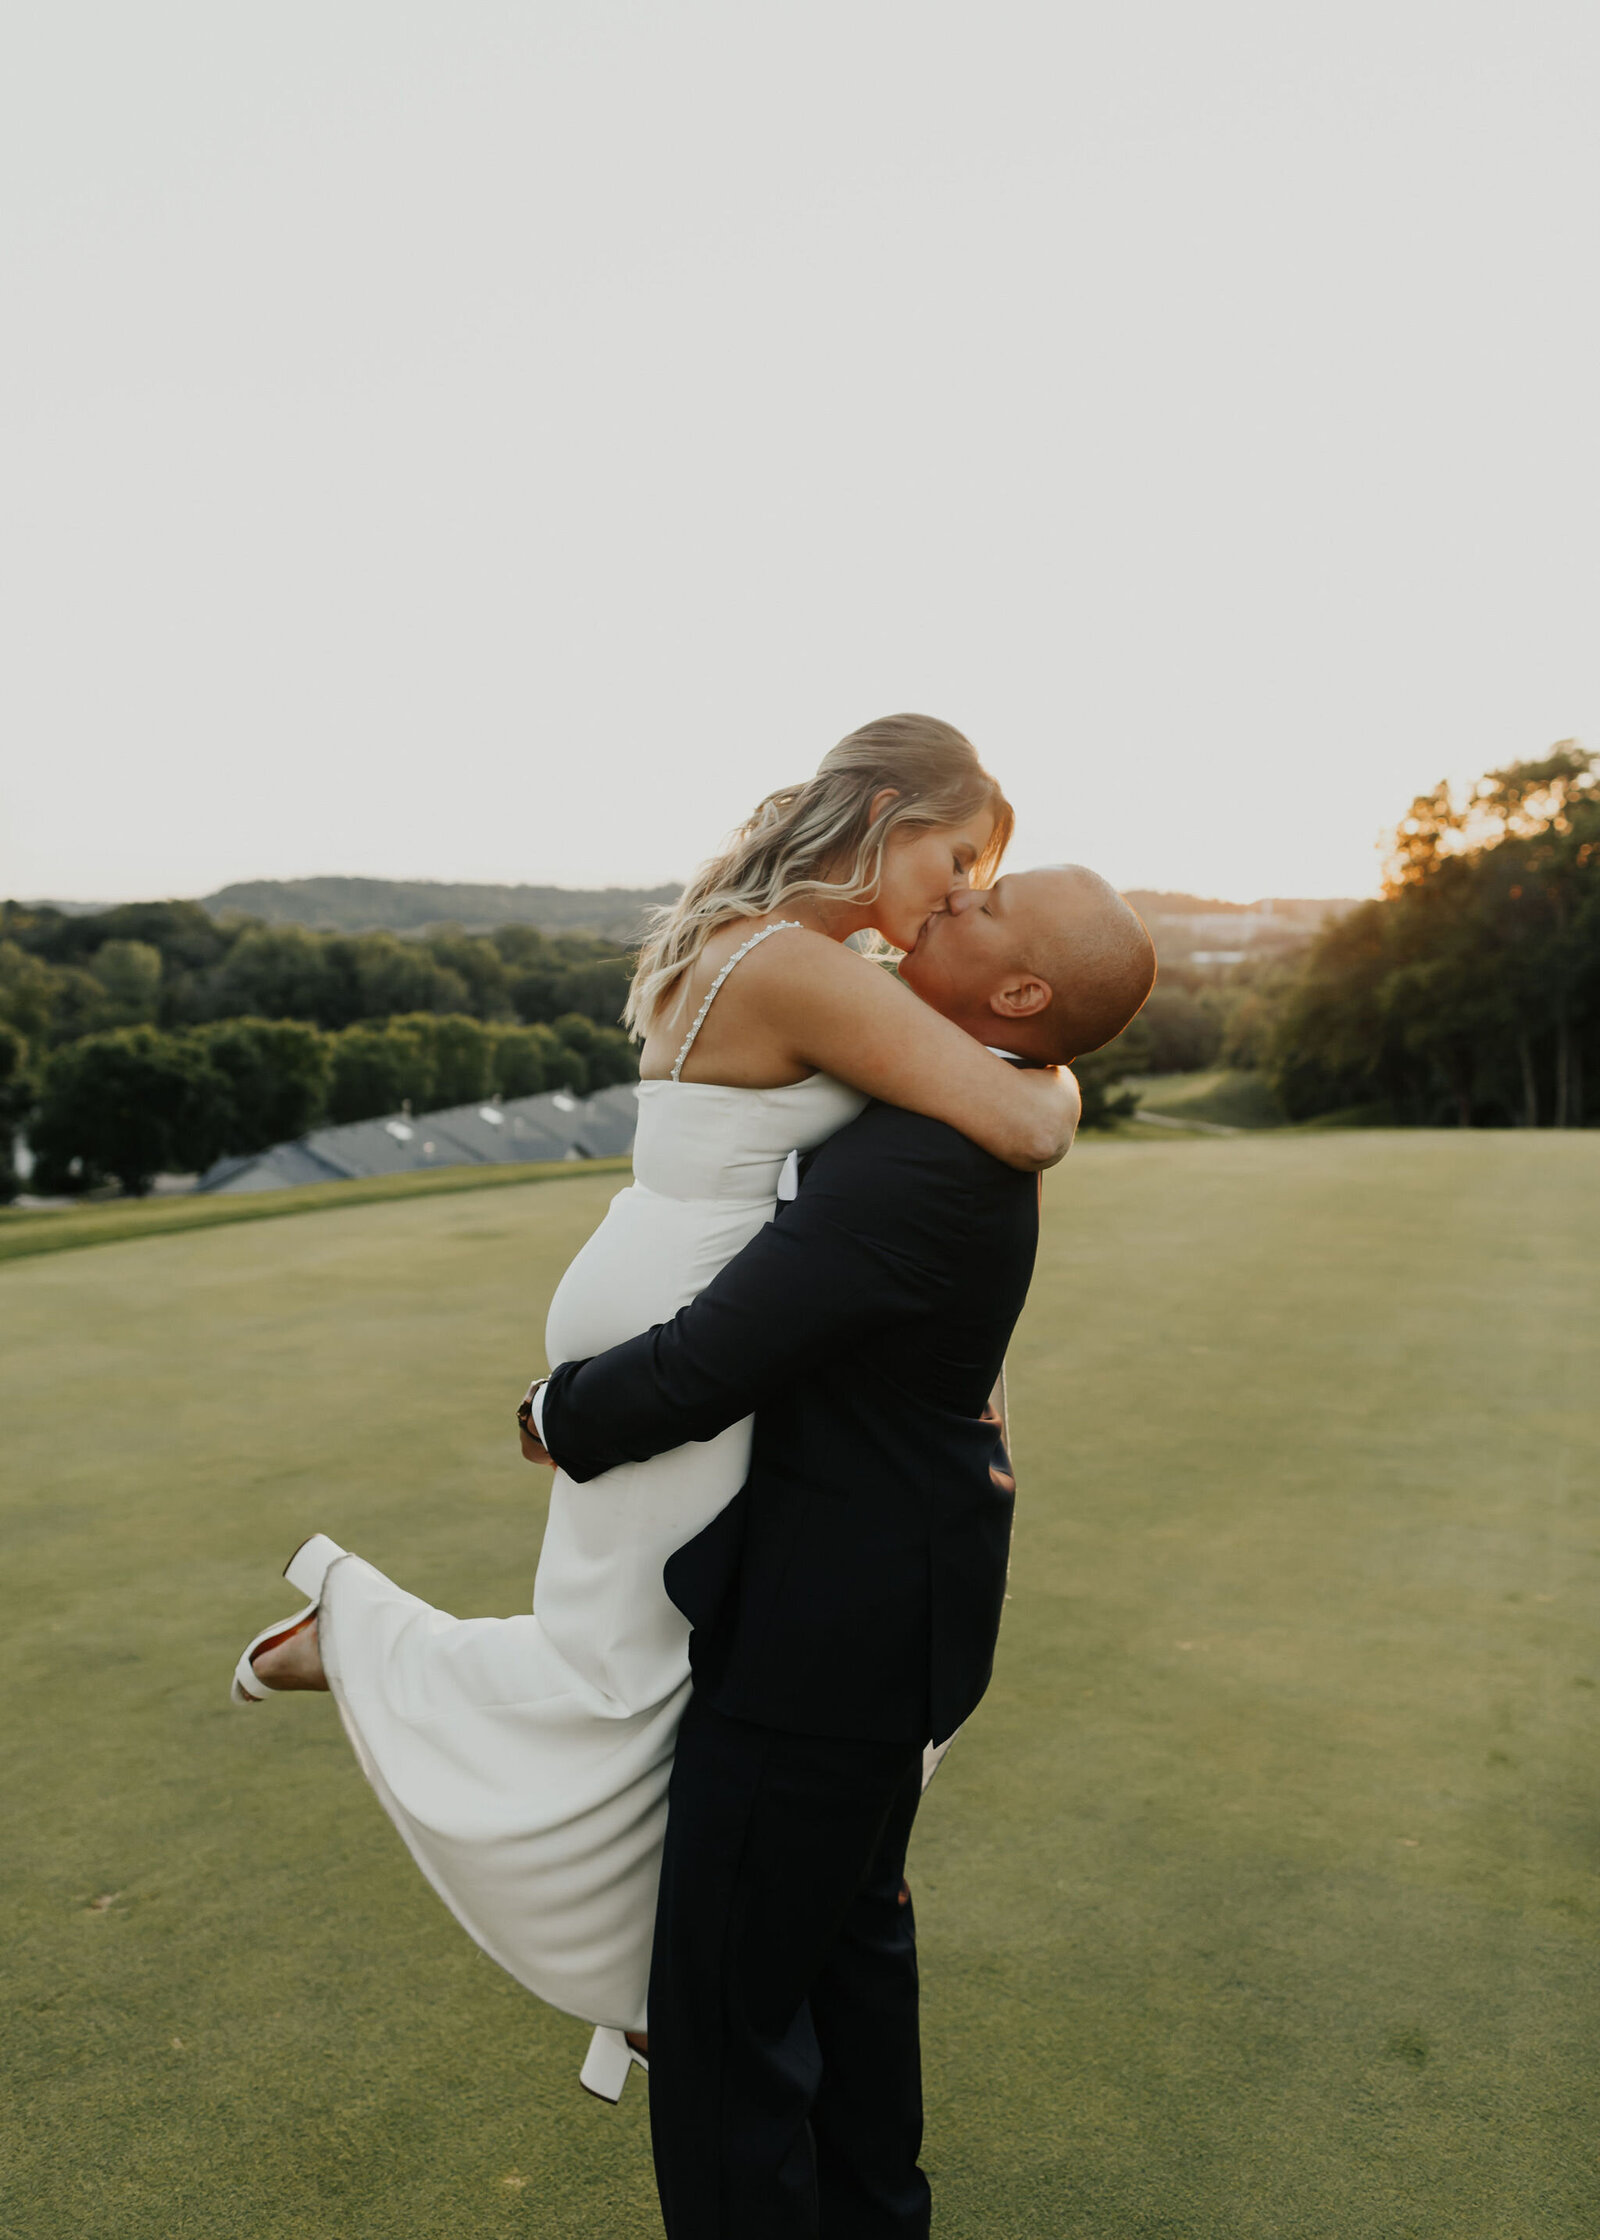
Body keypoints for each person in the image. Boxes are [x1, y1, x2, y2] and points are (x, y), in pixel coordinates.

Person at [228, 715, 1077, 2079]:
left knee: (673, 1667)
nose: (967, 896)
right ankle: (364, 1640)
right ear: (884, 815)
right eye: (961, 858)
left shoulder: (752, 935)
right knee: (631, 1677)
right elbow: (1022, 1120)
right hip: (688, 1322)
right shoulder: (801, 964)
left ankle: (646, 1971)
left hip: (654, 1283)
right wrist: (1067, 1055)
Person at [521, 862, 1156, 2238]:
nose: (946, 907)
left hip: (830, 1632)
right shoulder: (971, 1096)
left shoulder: (930, 1153)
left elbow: (719, 1357)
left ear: (1023, 992)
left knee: (727, 2013)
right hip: (886, 1608)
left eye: (982, 910)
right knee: (847, 1953)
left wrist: (557, 1412)